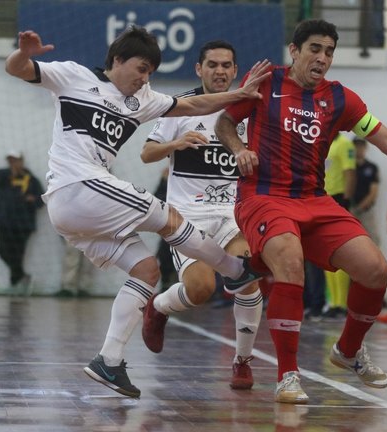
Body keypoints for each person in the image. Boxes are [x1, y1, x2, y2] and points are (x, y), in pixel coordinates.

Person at [214, 19, 387, 404]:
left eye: (329, 51)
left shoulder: (340, 99)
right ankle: (288, 375)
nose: (322, 57)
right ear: (295, 51)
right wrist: (239, 148)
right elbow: (224, 122)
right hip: (264, 196)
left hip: (315, 200)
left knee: (376, 270)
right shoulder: (267, 82)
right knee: (289, 259)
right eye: (315, 49)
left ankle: (348, 350)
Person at [4, 27, 270, 398]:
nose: (144, 78)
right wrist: (22, 53)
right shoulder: (74, 76)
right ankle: (236, 270)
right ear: (116, 60)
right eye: (140, 68)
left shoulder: (143, 98)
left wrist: (240, 95)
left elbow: (193, 105)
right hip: (76, 186)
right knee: (167, 216)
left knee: (146, 271)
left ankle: (108, 361)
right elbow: (17, 69)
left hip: (84, 212)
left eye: (150, 72)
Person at [140, 40, 263, 390]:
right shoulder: (182, 107)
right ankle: (160, 307)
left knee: (247, 277)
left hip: (232, 214)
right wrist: (174, 145)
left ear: (235, 71)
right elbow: (147, 154)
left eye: (226, 65)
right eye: (212, 65)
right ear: (199, 69)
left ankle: (242, 361)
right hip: (188, 216)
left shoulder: (247, 110)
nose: (220, 71)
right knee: (200, 289)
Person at [0, 150, 44, 294]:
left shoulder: (31, 179)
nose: (13, 163)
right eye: (10, 161)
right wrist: (10, 173)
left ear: (22, 161)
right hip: (4, 222)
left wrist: (33, 199)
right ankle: (23, 277)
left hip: (23, 224)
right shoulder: (5, 176)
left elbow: (41, 200)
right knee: (2, 251)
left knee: (17, 255)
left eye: (16, 160)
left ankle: (15, 285)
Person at [322, 133, 356, 319]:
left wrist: (346, 202)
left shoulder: (344, 144)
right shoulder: (325, 142)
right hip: (323, 199)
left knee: (341, 253)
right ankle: (333, 302)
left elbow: (349, 172)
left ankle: (342, 303)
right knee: (326, 254)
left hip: (339, 199)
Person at [352, 137, 380, 245]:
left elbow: (374, 192)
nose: (358, 149)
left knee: (373, 240)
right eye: (356, 146)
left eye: (360, 146)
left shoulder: (372, 167)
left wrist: (359, 208)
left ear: (365, 147)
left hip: (366, 211)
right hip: (349, 210)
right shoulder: (348, 167)